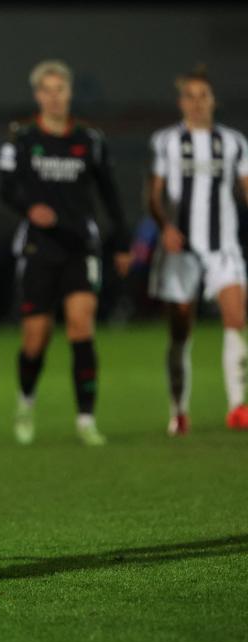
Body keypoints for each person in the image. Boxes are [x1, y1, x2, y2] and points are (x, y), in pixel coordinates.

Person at [0, 59, 131, 447]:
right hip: (39, 247)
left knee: (81, 326)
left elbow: (109, 192)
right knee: (35, 339)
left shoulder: (90, 139)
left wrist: (121, 241)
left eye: (61, 89)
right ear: (38, 95)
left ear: (69, 93)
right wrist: (29, 209)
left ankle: (86, 419)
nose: (55, 97)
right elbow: (6, 187)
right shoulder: (22, 138)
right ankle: (26, 402)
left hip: (80, 245)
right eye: (47, 90)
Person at [147, 67, 248, 433]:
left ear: (213, 101)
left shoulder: (235, 142)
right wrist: (165, 227)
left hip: (224, 246)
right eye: (190, 96)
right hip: (182, 249)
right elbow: (155, 193)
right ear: (181, 103)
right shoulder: (167, 141)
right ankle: (179, 410)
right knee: (180, 331)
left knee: (236, 320)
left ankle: (238, 406)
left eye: (203, 95)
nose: (196, 102)